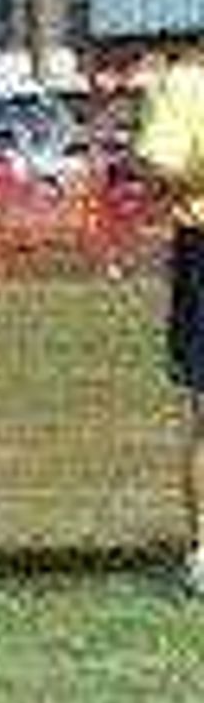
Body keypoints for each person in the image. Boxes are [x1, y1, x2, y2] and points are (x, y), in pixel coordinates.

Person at [129, 29, 204, 596]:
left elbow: (156, 167)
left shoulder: (180, 83)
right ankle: (202, 553)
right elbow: (158, 168)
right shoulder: (182, 83)